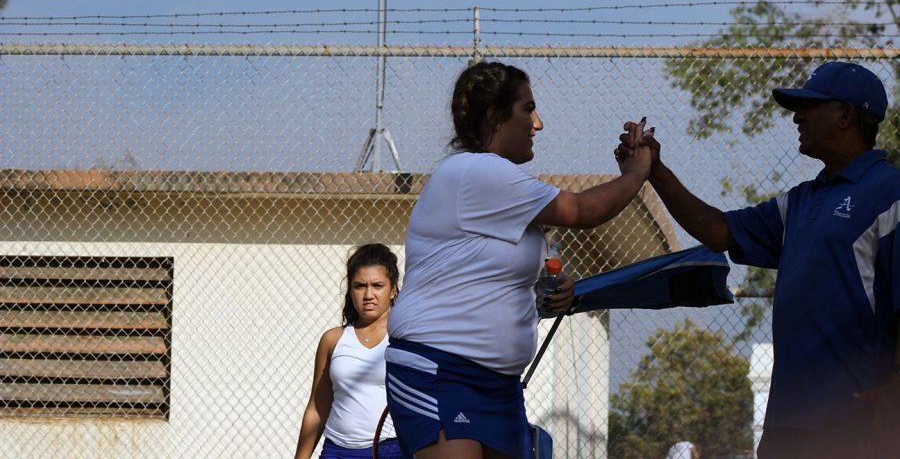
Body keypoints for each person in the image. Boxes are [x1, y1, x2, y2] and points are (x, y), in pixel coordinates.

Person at [616, 61, 900, 459]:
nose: (798, 117)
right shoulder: (800, 200)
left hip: (855, 421)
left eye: (809, 106)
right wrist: (654, 171)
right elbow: (720, 231)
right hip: (788, 420)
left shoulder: (890, 194)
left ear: (846, 115)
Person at [385, 61, 654, 458]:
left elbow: (497, 275)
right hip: (441, 370)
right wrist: (637, 174)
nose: (538, 123)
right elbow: (581, 211)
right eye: (528, 109)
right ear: (495, 117)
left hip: (498, 384)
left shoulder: (502, 189)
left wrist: (549, 289)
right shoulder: (476, 171)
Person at [294, 244, 403, 459]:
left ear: (392, 290)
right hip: (336, 451)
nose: (368, 294)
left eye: (378, 285)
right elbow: (317, 407)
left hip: (393, 450)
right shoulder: (332, 340)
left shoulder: (406, 338)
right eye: (360, 285)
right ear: (350, 290)